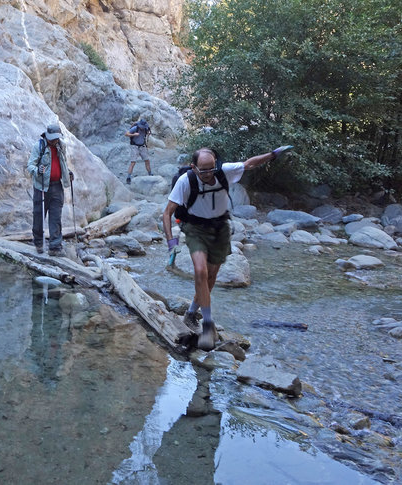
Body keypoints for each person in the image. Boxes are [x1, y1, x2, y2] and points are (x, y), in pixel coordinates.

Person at [162, 145, 292, 350]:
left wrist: (273, 154)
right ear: (193, 167)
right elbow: (167, 213)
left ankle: (191, 313)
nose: (207, 173)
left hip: (219, 228)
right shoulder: (185, 180)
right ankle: (207, 323)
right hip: (195, 228)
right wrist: (171, 243)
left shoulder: (223, 171)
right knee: (200, 271)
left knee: (212, 276)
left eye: (211, 168)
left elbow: (250, 163)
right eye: (203, 169)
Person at [27, 123, 74, 256]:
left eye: (56, 138)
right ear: (47, 136)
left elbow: (62, 162)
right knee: (39, 215)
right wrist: (37, 170)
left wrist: (68, 173)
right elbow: (30, 165)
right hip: (41, 187)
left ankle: (55, 247)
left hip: (57, 186)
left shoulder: (61, 145)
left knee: (56, 217)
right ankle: (38, 243)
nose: (55, 140)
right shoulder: (39, 146)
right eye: (53, 138)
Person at [124, 118, 152, 184]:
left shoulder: (146, 128)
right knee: (133, 162)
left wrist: (148, 133)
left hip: (142, 146)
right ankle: (128, 177)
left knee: (147, 160)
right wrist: (134, 134)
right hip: (134, 146)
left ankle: (150, 174)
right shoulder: (135, 128)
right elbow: (126, 134)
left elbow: (148, 132)